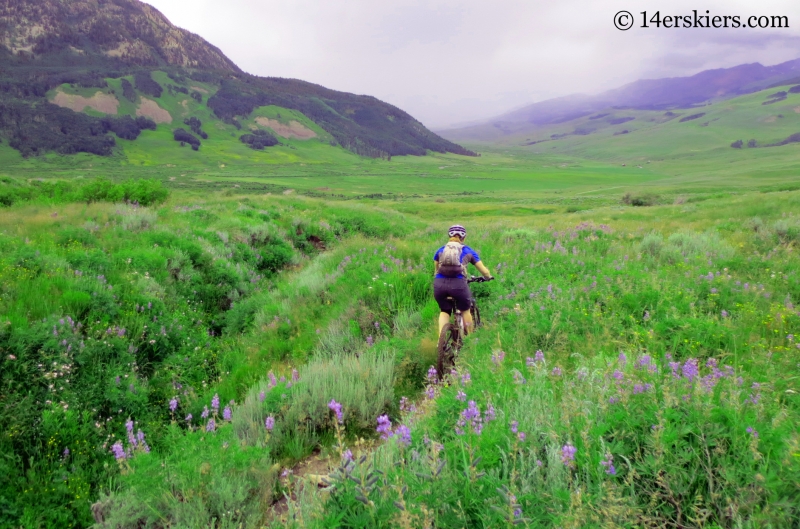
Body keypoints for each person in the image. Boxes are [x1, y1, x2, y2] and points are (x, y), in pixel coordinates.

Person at [433, 224, 493, 336]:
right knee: (465, 309)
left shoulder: (441, 250)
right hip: (458, 285)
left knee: (444, 311)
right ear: (463, 237)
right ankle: (470, 338)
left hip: (439, 285)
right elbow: (484, 271)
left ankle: (440, 341)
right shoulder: (468, 250)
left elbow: (436, 269)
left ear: (449, 236)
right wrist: (488, 277)